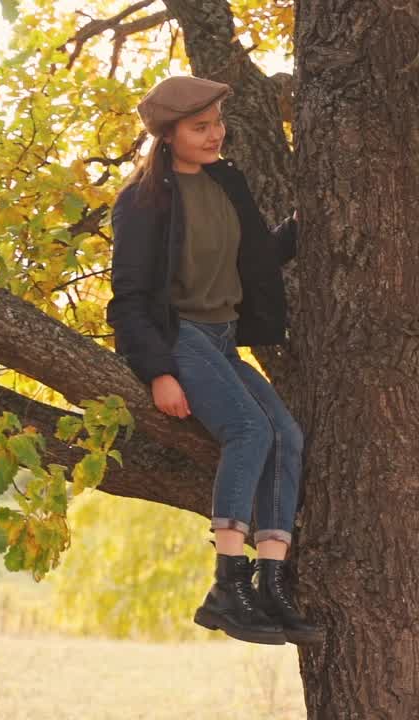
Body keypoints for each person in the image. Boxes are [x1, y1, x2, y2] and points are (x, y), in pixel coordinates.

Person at [106, 74, 321, 645]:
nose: (215, 135)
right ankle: (228, 587)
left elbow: (254, 258)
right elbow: (127, 298)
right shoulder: (143, 200)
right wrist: (158, 373)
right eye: (200, 127)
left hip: (225, 340)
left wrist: (308, 224)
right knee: (249, 430)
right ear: (168, 133)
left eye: (217, 123)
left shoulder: (228, 182)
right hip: (180, 337)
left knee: (287, 436)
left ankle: (271, 584)